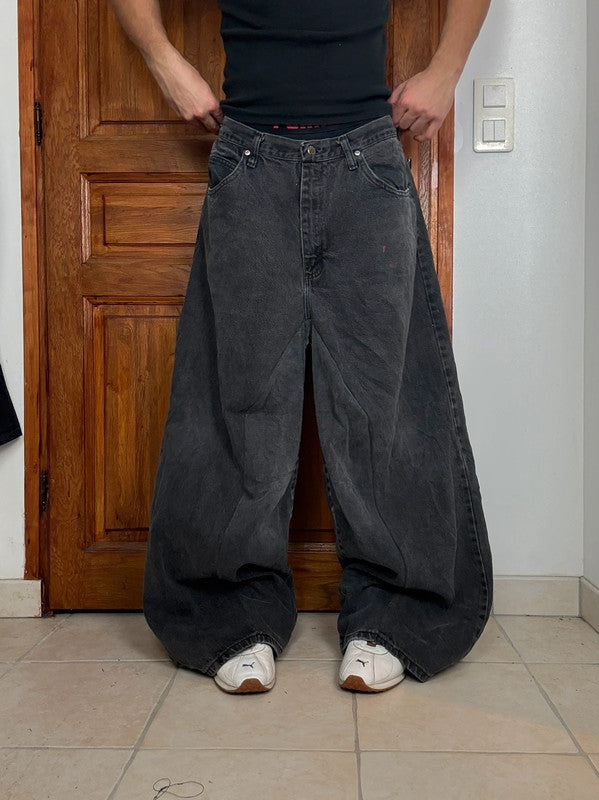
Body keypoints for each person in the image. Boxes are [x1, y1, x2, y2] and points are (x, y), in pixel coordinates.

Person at [109, 0, 494, 694]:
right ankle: (230, 616)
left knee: (384, 405)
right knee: (239, 400)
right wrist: (165, 63)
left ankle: (393, 617)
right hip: (250, 159)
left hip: (366, 158)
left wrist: (447, 70)